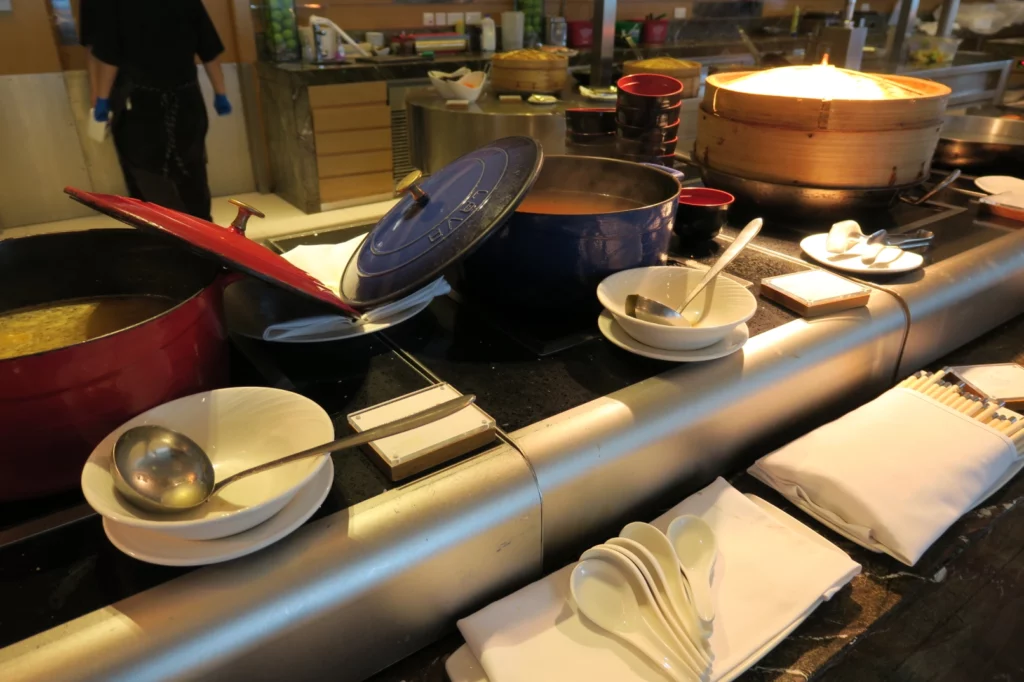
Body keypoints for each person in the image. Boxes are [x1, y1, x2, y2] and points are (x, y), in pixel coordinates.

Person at [80, 0, 232, 220]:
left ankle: (164, 235)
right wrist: (221, 93)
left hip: (140, 105)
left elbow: (108, 57)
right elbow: (209, 51)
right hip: (186, 101)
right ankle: (201, 233)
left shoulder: (118, 6)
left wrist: (102, 98)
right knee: (191, 170)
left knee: (147, 174)